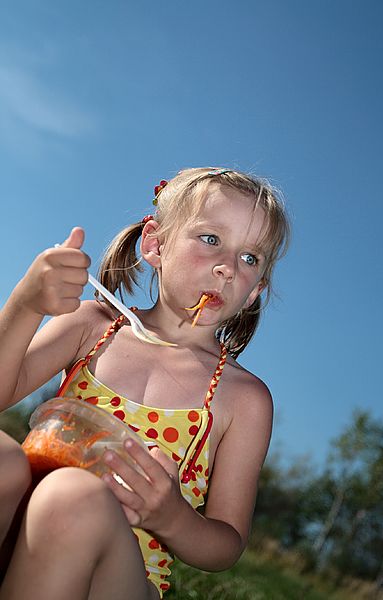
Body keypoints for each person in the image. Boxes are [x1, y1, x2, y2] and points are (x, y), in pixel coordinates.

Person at [0, 167, 289, 599]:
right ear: (156, 244)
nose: (227, 267)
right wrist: (26, 304)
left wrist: (171, 515)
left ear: (254, 291)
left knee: (72, 497)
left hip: (119, 577)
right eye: (211, 240)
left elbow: (226, 543)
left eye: (250, 258)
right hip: (19, 534)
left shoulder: (242, 397)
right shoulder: (93, 326)